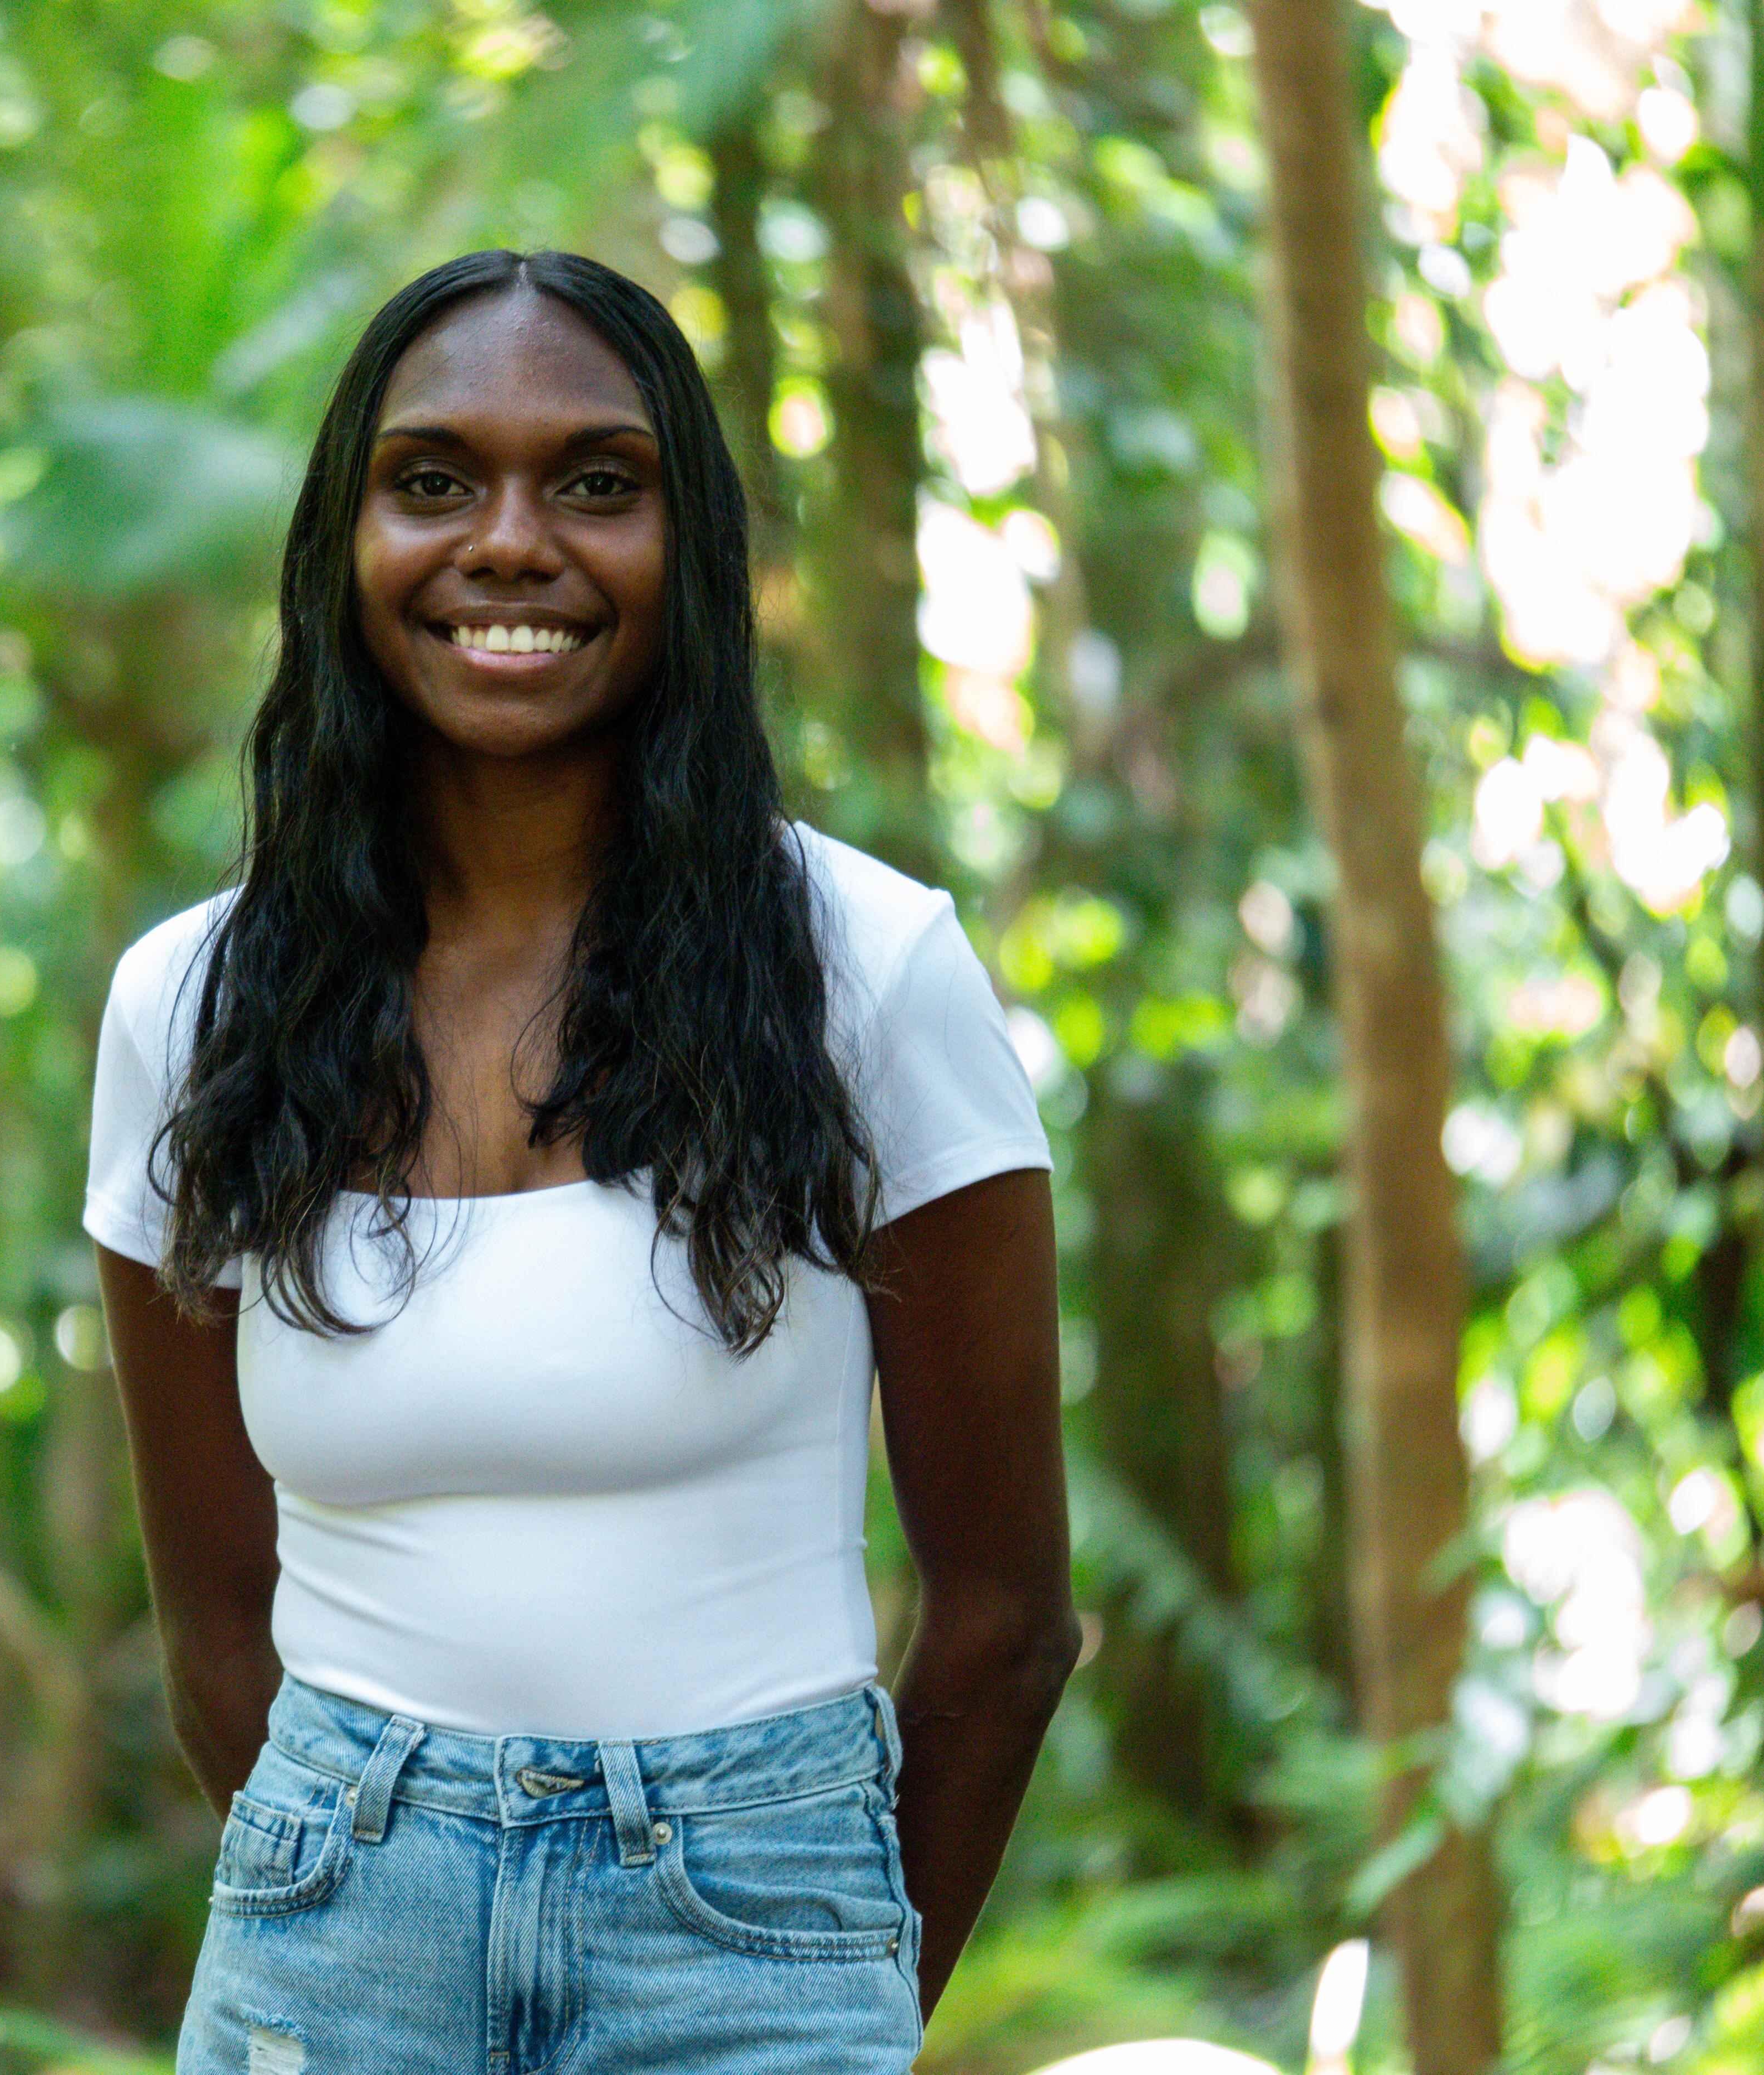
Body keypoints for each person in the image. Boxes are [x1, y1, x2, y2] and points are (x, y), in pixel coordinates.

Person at [86, 248, 1076, 2074]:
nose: (511, 543)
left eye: (597, 484)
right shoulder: (194, 1008)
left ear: (685, 546)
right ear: (345, 545)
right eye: (435, 480)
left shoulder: (869, 970)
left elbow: (1008, 1619)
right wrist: (377, 1880)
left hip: (752, 1935)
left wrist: (822, 1981)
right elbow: (215, 1630)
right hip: (331, 1946)